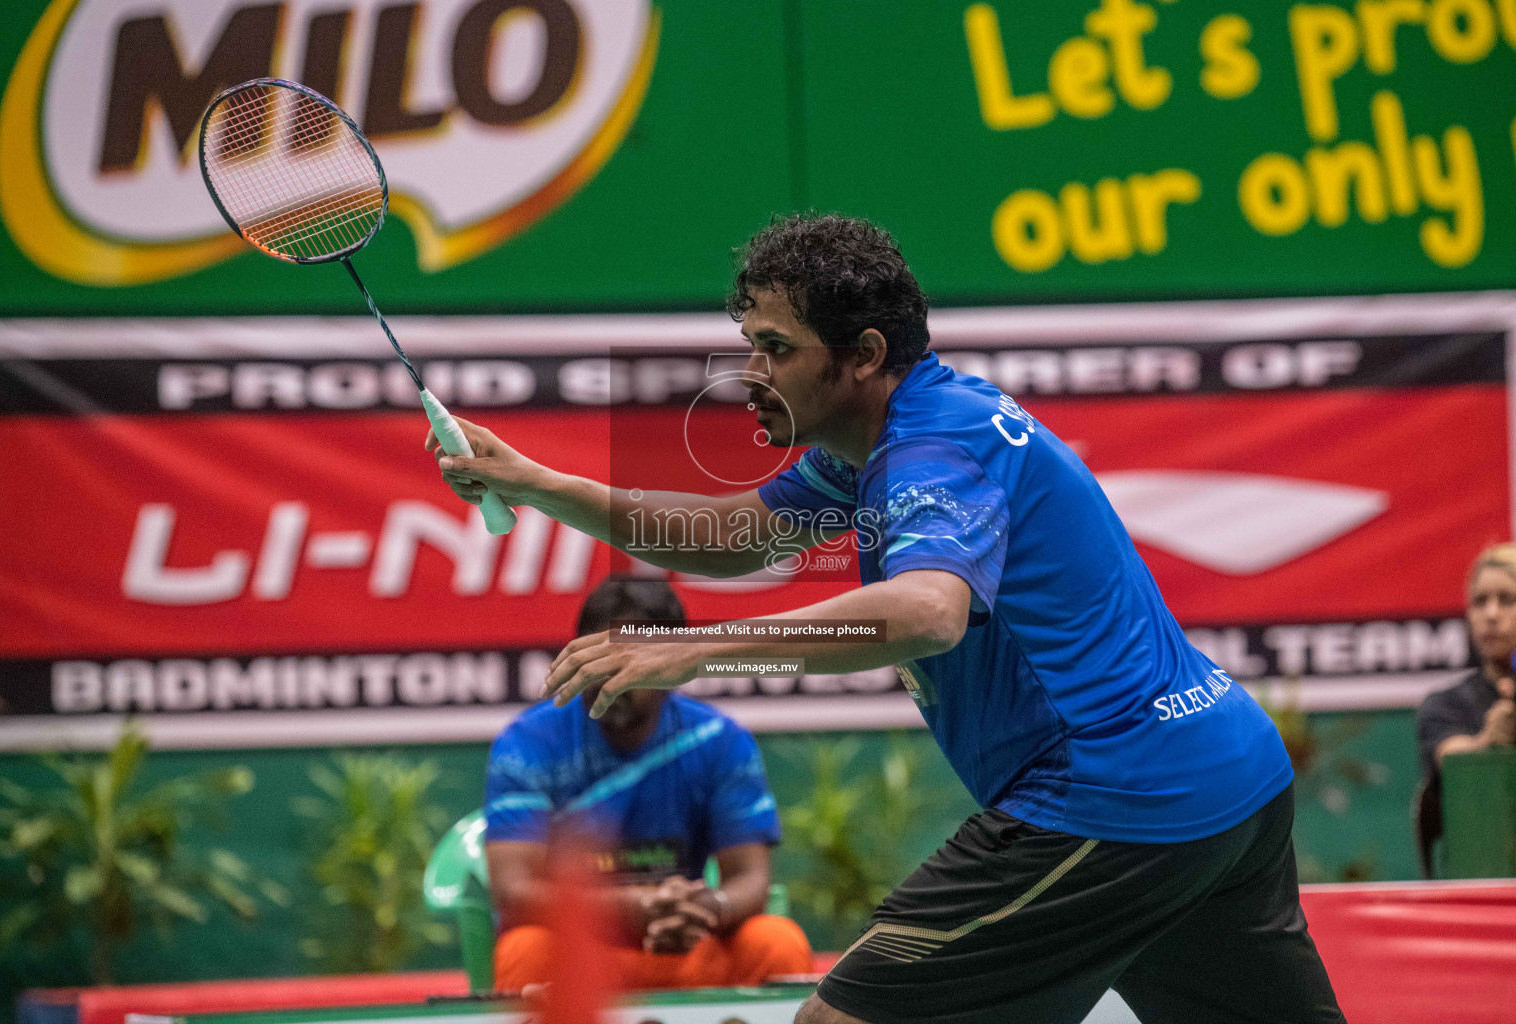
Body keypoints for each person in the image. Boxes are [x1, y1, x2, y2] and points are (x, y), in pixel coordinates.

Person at [434, 214, 1343, 1023]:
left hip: (1109, 793)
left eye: (776, 349)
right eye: (749, 343)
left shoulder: (933, 448)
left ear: (862, 355)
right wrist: (542, 484)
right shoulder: (879, 436)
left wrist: (698, 648)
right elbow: (739, 535)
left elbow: (926, 612)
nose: (751, 374)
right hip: (1228, 775)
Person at [481, 575, 812, 994]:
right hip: (580, 960)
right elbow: (513, 893)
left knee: (776, 942)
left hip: (685, 950)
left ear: (674, 667)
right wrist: (634, 907)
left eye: (631, 659)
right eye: (595, 658)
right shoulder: (527, 743)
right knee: (524, 950)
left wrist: (702, 909)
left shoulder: (718, 740)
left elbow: (749, 880)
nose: (609, 676)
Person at [1416, 544, 1516, 835]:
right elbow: (1450, 757)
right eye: (1480, 601)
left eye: (1507, 599)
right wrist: (1489, 742)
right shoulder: (1445, 705)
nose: (1492, 614)